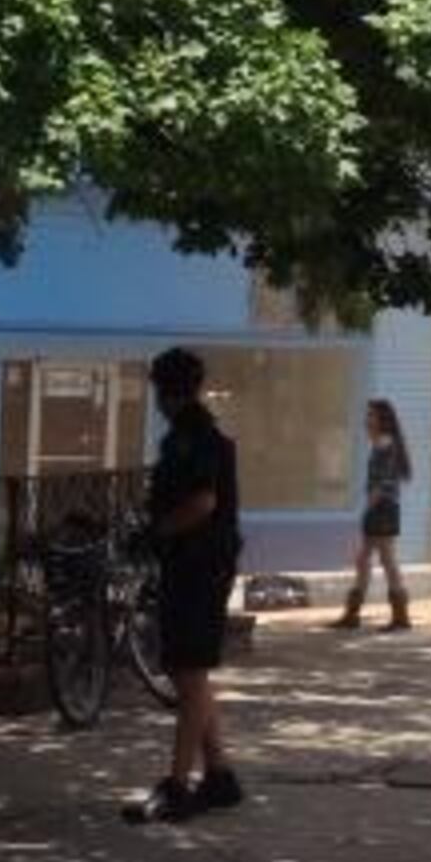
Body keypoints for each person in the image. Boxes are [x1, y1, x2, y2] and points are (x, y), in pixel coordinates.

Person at [124, 346, 245, 825]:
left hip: (199, 566)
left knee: (189, 671)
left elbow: (202, 503)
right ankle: (219, 775)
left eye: (158, 389)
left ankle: (177, 786)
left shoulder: (195, 439)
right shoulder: (191, 435)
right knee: (185, 669)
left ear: (166, 391)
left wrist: (156, 532)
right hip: (193, 564)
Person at [330, 398, 412, 633]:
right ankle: (356, 614)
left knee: (382, 559)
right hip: (384, 507)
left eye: (371, 415)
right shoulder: (383, 443)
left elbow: (383, 483)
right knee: (368, 559)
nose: (367, 420)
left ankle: (396, 616)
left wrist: (367, 508)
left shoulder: (385, 444)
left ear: (381, 419)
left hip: (382, 507)